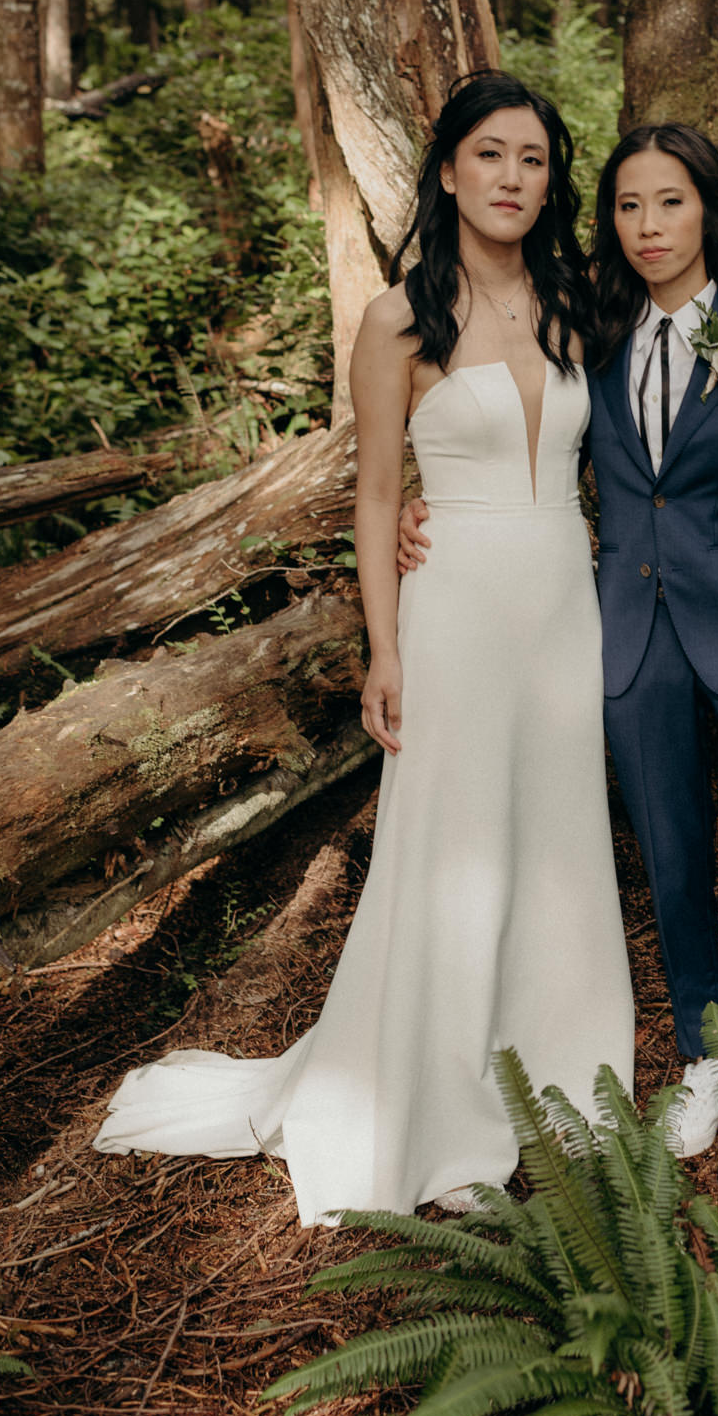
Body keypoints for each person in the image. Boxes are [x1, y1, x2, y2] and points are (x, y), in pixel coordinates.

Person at [94, 72, 636, 1224]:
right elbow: (379, 494)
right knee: (448, 849)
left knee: (557, 840)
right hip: (454, 611)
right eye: (489, 154)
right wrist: (382, 650)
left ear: (552, 182)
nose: (510, 178)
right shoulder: (399, 318)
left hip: (560, 601)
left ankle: (561, 1087)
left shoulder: (574, 298)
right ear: (445, 170)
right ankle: (439, 1131)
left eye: (533, 160)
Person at [406, 117, 718, 1209]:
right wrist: (427, 496)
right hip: (624, 630)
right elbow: (504, 413)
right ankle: (702, 1062)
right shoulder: (585, 322)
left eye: (669, 202)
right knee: (671, 857)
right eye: (627, 206)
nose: (647, 226)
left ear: (706, 206)